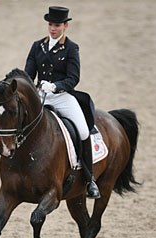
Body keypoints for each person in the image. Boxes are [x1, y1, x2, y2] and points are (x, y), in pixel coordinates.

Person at [25, 6, 100, 199]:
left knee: (83, 131)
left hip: (63, 96)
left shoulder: (71, 48)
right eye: (50, 24)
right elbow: (28, 74)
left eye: (57, 25)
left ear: (65, 26)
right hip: (41, 95)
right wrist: (33, 88)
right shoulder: (37, 46)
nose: (53, 29)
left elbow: (73, 78)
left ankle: (89, 179)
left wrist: (56, 86)